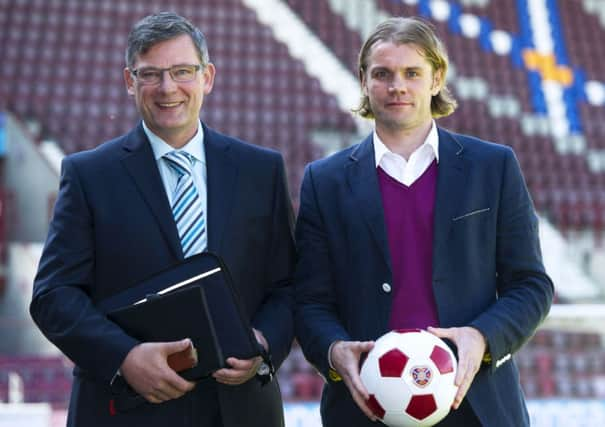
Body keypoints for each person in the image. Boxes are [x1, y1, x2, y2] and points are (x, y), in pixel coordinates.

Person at [30, 12, 295, 427]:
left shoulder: (260, 171)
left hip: (241, 409)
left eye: (182, 71)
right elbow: (53, 296)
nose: (167, 88)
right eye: (150, 74)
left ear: (207, 77)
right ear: (129, 81)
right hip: (127, 409)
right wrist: (124, 357)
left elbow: (288, 286)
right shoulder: (89, 175)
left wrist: (262, 344)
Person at [294, 17, 553, 427]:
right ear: (364, 81)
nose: (397, 85)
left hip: (475, 405)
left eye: (412, 73)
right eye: (383, 74)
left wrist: (481, 337)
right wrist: (332, 349)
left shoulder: (493, 167)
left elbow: (531, 285)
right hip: (365, 406)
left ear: (437, 79)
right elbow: (310, 300)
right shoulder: (324, 181)